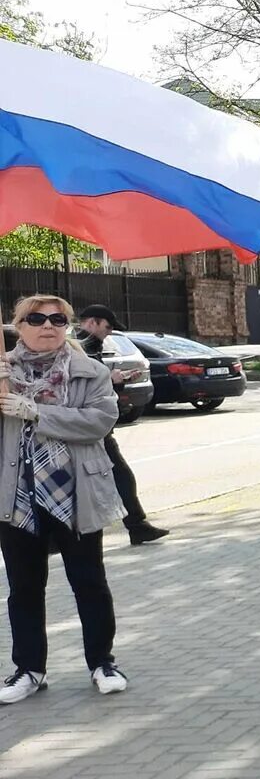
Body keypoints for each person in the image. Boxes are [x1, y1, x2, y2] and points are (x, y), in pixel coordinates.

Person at [0, 295, 129, 703]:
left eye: (58, 318)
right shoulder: (2, 374)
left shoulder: (89, 372)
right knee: (23, 587)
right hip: (17, 495)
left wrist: (34, 411)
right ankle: (29, 670)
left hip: (75, 493)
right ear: (19, 326)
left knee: (89, 582)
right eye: (36, 318)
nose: (48, 325)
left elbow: (98, 422)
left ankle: (102, 662)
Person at [73, 305, 168, 546]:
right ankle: (136, 526)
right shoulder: (81, 344)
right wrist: (109, 378)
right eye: (107, 327)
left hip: (91, 427)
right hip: (88, 428)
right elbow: (81, 383)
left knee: (112, 477)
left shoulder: (86, 344)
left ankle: (137, 525)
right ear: (92, 322)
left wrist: (114, 381)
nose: (109, 332)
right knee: (119, 476)